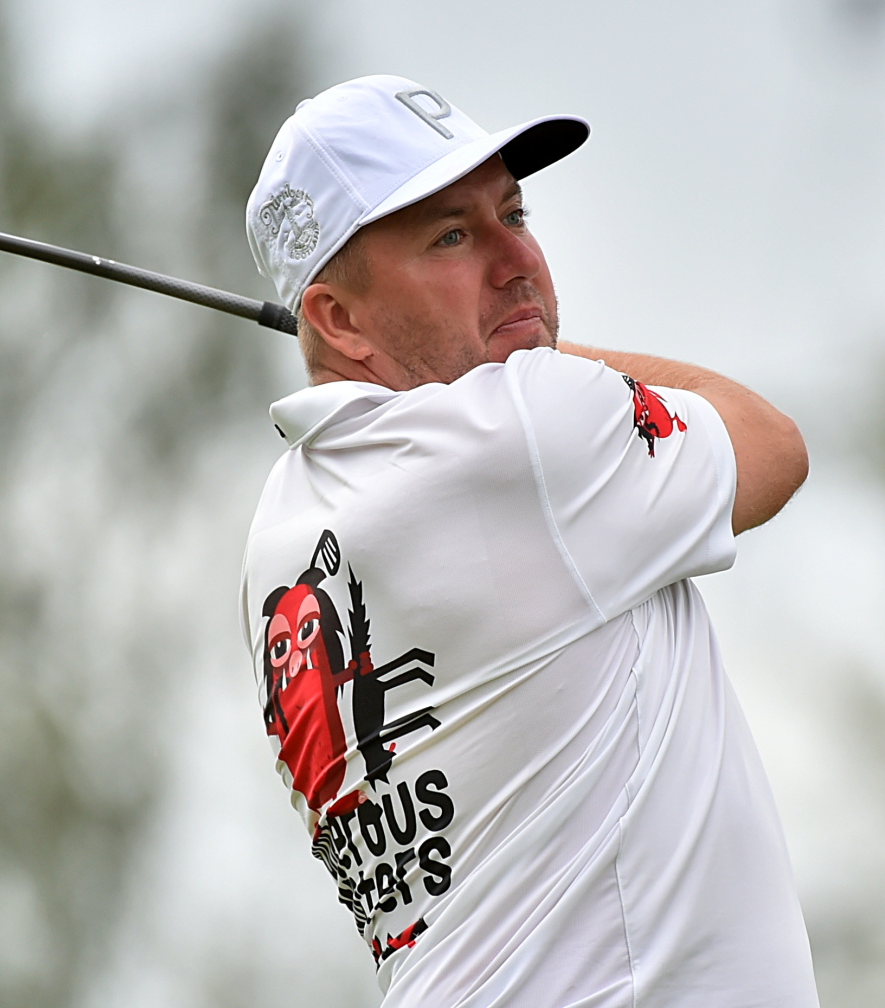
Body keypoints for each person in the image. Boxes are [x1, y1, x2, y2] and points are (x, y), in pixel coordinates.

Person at [240, 75, 819, 1007]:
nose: (518, 259)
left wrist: (500, 345)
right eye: (452, 237)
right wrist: (532, 351)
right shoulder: (529, 432)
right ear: (338, 319)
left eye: (513, 213)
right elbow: (770, 444)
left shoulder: (280, 529)